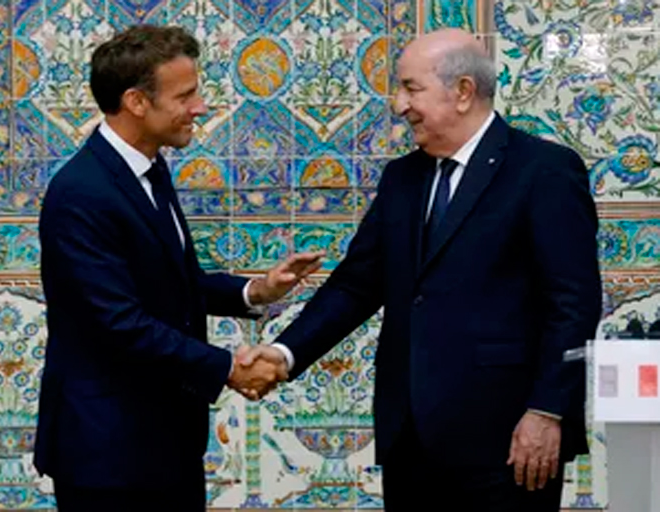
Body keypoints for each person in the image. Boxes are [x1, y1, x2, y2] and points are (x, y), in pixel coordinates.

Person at [240, 28, 602, 511]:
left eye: (411, 88)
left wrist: (547, 410)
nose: (398, 105)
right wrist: (284, 354)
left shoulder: (544, 170)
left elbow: (574, 302)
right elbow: (357, 284)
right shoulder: (402, 178)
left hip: (508, 438)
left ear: (463, 92)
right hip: (410, 437)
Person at [33, 24, 323, 512]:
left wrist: (255, 291)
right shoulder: (81, 193)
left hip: (164, 441)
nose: (200, 107)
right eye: (185, 96)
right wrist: (227, 368)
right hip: (108, 453)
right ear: (136, 102)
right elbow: (119, 321)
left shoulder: (148, 169)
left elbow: (169, 282)